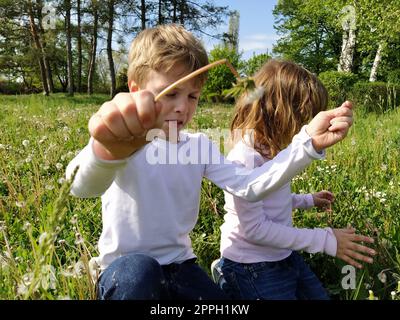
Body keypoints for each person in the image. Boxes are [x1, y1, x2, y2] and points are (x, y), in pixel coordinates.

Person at [66, 25, 354, 300]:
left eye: (193, 96)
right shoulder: (124, 138)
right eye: (171, 92)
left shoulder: (199, 145)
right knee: (139, 273)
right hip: (126, 267)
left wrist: (307, 144)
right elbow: (80, 186)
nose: (182, 107)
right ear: (136, 88)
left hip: (181, 265)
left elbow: (249, 186)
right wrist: (107, 151)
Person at [213, 59, 376, 300]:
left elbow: (272, 199)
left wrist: (307, 200)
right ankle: (229, 281)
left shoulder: (274, 150)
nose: (305, 128)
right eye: (304, 119)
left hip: (282, 254)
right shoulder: (244, 157)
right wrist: (325, 240)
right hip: (252, 266)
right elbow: (256, 229)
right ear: (279, 113)